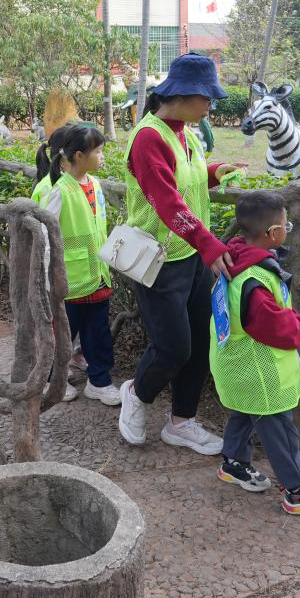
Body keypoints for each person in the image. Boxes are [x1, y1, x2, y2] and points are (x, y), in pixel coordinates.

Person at [117, 52, 243, 455]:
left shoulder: (186, 132)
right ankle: (137, 394)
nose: (211, 105)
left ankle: (182, 422)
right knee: (172, 347)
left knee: (201, 342)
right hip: (157, 259)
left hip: (191, 259)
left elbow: (183, 176)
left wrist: (214, 171)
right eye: (207, 98)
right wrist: (209, 243)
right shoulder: (148, 136)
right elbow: (165, 200)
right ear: (185, 95)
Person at [211, 190, 300, 514]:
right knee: (280, 429)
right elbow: (274, 327)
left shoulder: (235, 257)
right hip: (261, 371)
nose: (288, 231)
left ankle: (233, 463)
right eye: (287, 226)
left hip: (236, 365)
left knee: (244, 412)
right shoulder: (254, 280)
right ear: (273, 234)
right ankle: (299, 490)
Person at [32, 122, 119, 406]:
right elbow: (44, 235)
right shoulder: (58, 191)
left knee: (98, 332)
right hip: (68, 281)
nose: (103, 156)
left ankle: (100, 380)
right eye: (98, 151)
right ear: (79, 155)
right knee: (62, 333)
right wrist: (48, 279)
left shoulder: (94, 184)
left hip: (97, 275)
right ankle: (54, 379)